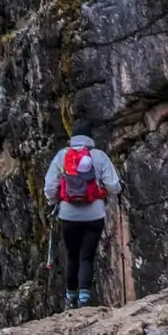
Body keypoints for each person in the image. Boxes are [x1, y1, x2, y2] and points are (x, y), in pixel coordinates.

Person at [44, 121, 122, 309]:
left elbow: (49, 186)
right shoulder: (99, 156)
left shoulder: (63, 156)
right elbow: (113, 186)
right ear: (90, 139)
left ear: (73, 139)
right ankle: (84, 299)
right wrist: (115, 191)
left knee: (72, 255)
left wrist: (53, 203)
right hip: (94, 216)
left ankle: (70, 297)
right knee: (87, 256)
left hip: (68, 215)